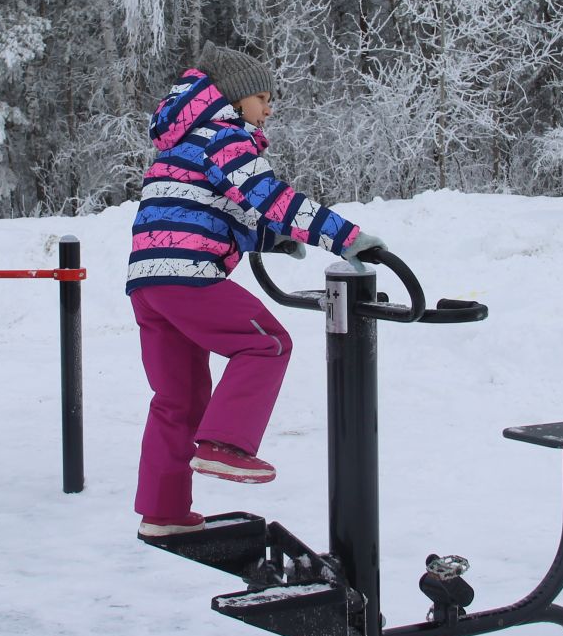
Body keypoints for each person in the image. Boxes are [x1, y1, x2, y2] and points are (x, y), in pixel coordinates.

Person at [125, 43, 384, 539]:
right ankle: (225, 444)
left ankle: (163, 511)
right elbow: (269, 197)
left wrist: (273, 238)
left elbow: (209, 212)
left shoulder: (180, 145)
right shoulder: (225, 138)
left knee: (178, 397)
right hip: (189, 277)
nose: (269, 109)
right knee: (266, 343)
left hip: (149, 284)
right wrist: (347, 238)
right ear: (231, 98)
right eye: (262, 97)